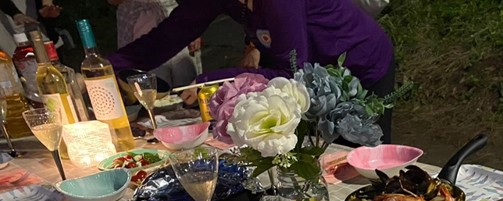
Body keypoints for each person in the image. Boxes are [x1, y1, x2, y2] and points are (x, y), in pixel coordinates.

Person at [108, 0, 395, 141]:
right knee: (314, 151)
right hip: (311, 73)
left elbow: (290, 72)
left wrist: (212, 79)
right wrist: (108, 67)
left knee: (360, 159)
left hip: (359, 65)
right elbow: (168, 36)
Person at [106, 0, 201, 88]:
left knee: (188, 88)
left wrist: (194, 28)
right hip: (141, 29)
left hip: (174, 19)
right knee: (155, 91)